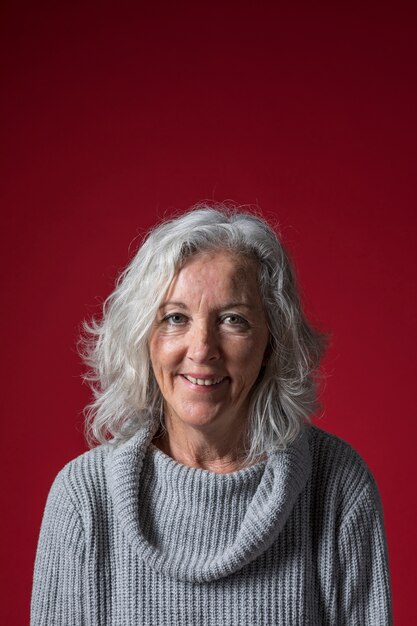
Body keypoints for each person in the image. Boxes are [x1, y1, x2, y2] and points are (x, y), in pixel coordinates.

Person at [31, 204, 392, 625]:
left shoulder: (337, 487)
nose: (202, 349)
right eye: (175, 318)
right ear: (143, 338)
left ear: (272, 343)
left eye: (233, 319)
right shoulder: (83, 500)